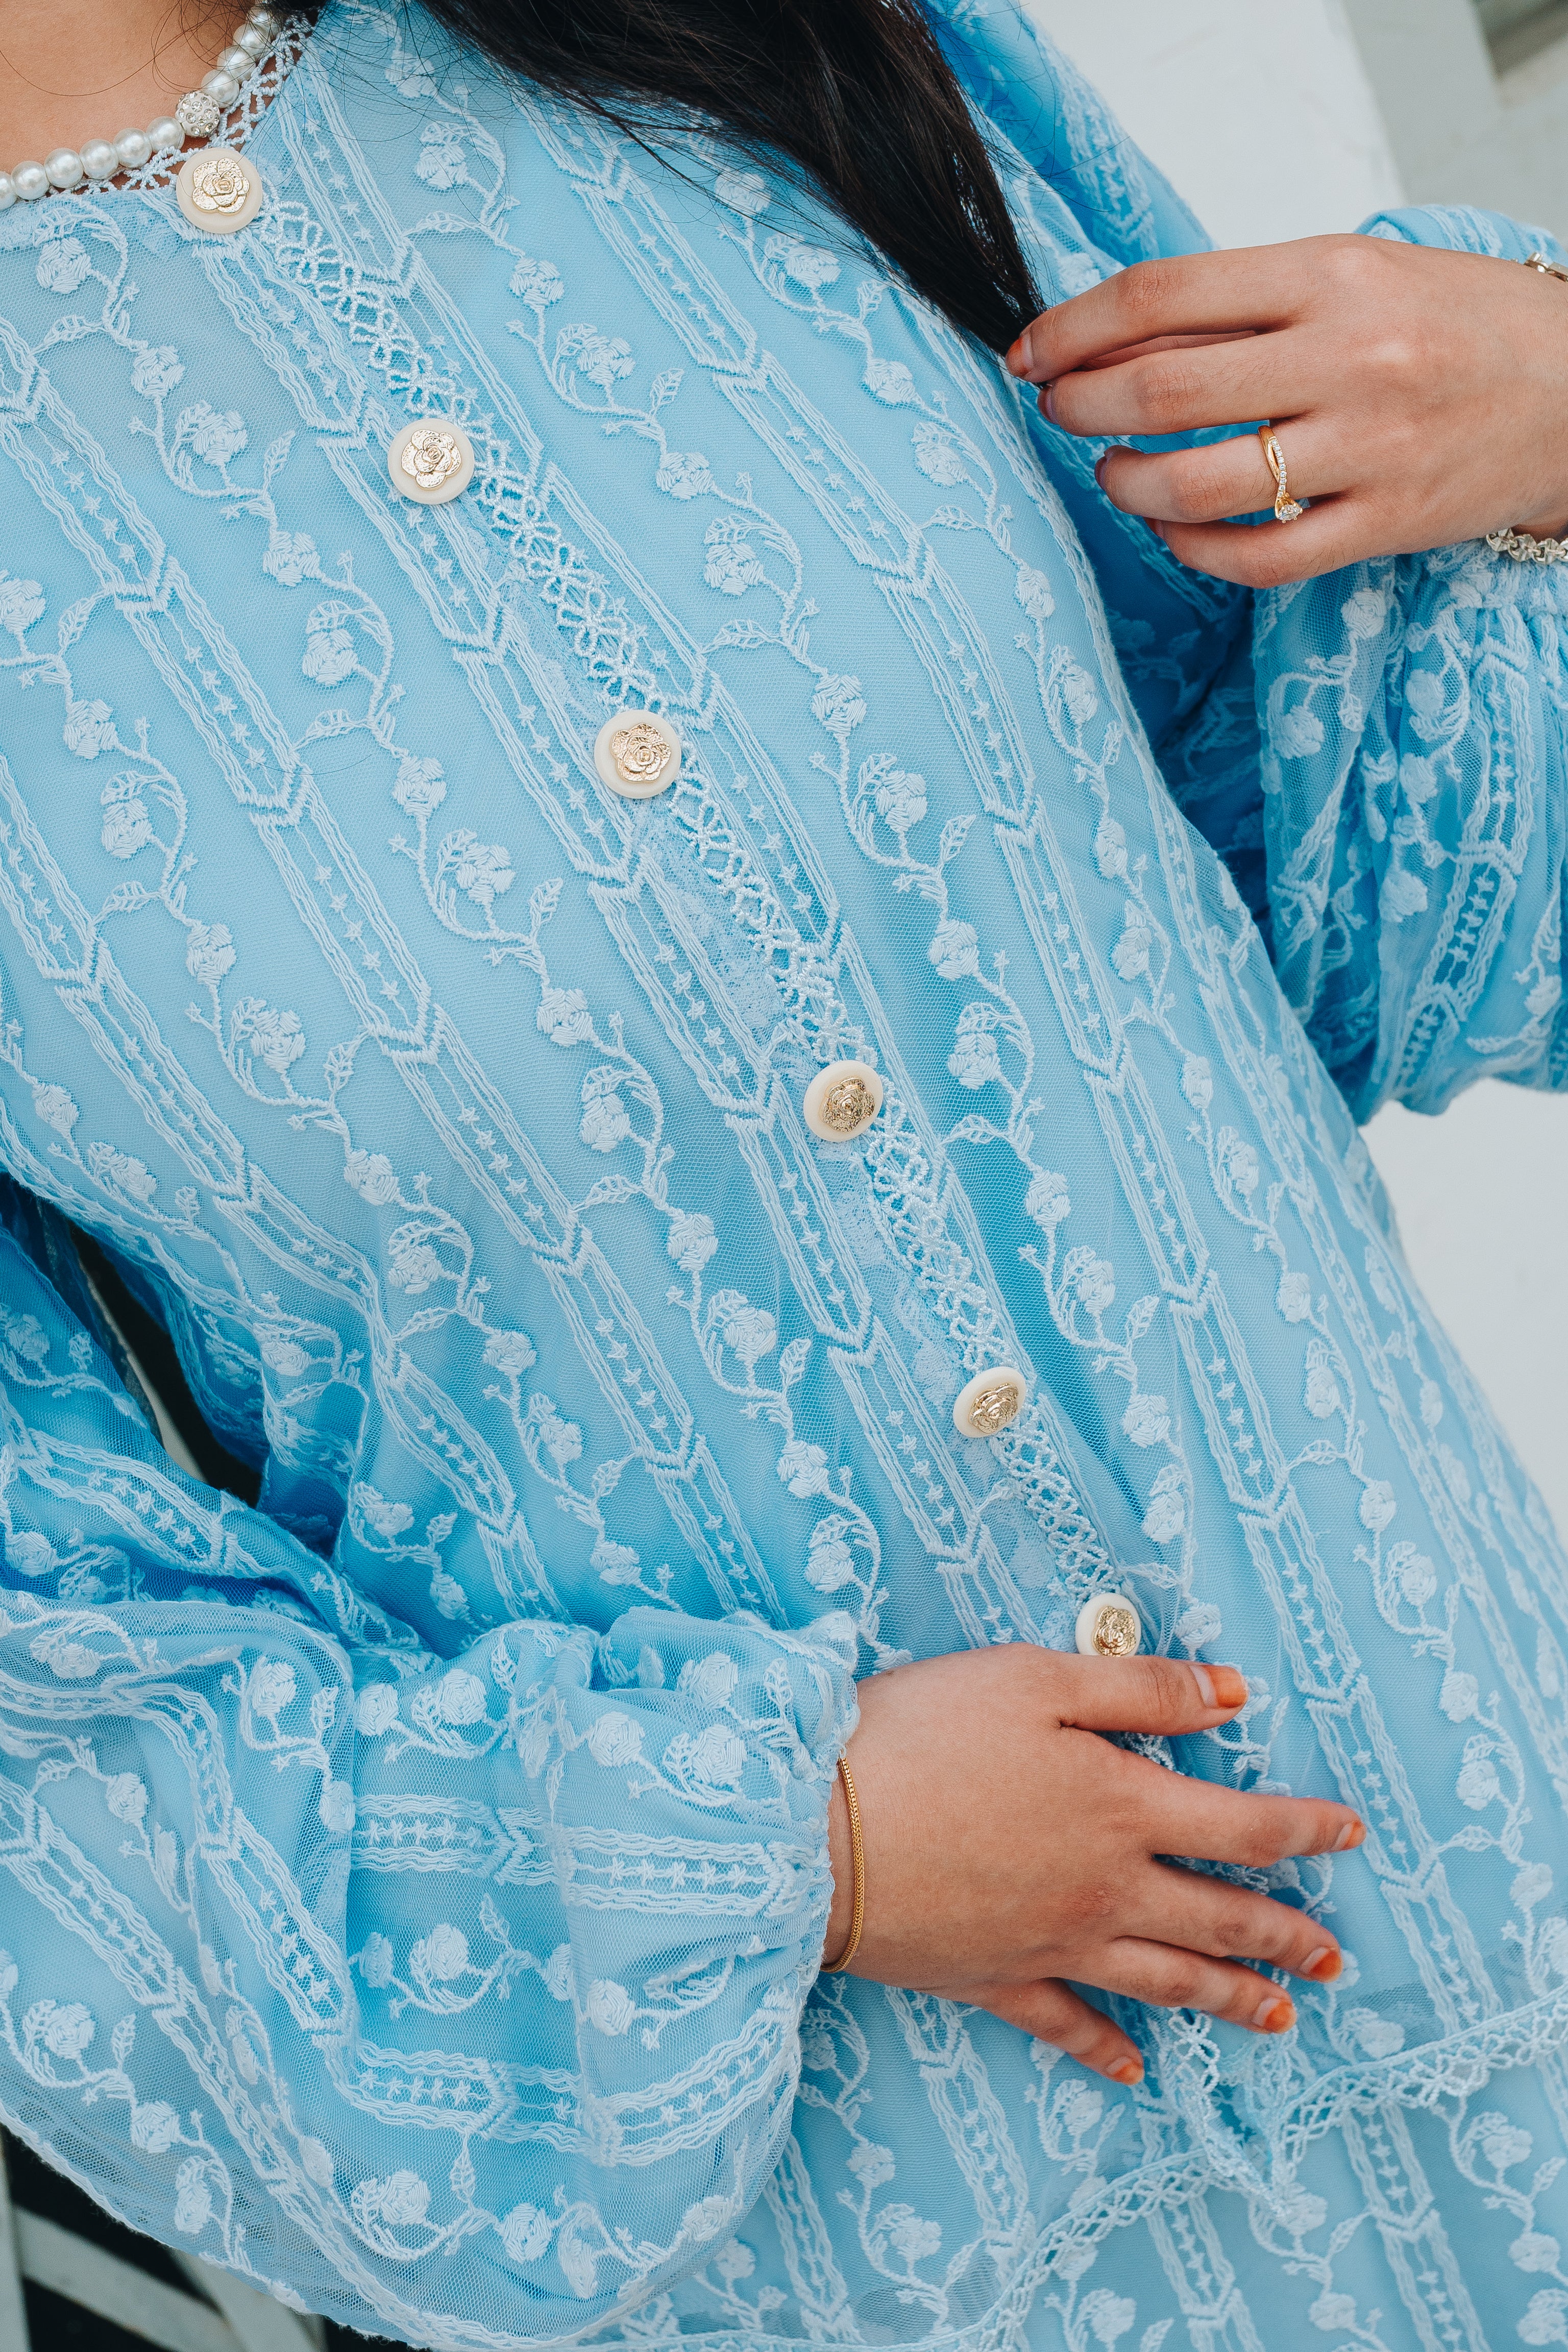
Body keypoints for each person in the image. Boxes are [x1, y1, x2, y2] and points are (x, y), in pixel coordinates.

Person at [0, 0, 1564, 2343]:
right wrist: (776, 1847)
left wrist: (1541, 415)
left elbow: (1316, 877)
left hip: (1486, 1908)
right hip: (876, 2221)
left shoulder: (747, 35)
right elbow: (52, 1731)